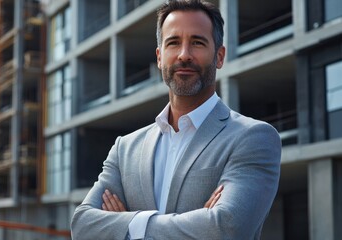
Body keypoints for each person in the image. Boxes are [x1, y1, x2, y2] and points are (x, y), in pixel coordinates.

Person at [71, 0, 281, 239]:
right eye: (173, 43)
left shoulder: (253, 138)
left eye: (197, 42)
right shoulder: (125, 149)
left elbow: (226, 227)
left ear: (220, 56)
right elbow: (82, 225)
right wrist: (198, 224)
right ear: (160, 57)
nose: (184, 55)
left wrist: (127, 225)